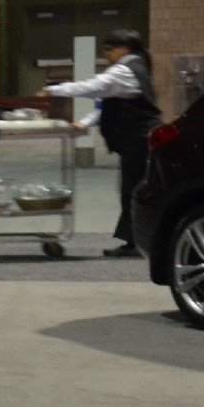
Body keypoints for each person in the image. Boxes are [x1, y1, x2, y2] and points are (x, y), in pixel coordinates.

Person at [46, 28, 163, 257]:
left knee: (133, 190)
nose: (107, 55)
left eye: (110, 49)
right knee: (132, 189)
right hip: (139, 138)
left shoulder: (124, 70)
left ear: (123, 49)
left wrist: (54, 90)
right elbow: (106, 104)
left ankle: (137, 243)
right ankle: (135, 241)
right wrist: (85, 123)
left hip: (138, 138)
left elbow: (92, 88)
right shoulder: (136, 67)